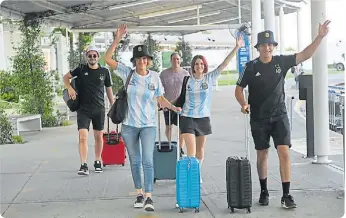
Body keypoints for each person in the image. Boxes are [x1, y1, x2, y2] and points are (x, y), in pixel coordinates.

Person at [235, 20, 331, 209]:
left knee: (284, 153)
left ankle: (286, 195)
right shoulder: (250, 67)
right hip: (259, 118)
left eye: (271, 44)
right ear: (259, 47)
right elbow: (238, 89)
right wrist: (243, 103)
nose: (268, 48)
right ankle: (264, 191)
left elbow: (305, 54)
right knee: (262, 155)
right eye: (264, 45)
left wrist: (319, 37)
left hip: (279, 116)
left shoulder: (281, 61)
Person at [104, 24, 181, 212]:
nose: (142, 61)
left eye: (145, 58)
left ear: (148, 60)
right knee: (135, 160)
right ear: (135, 61)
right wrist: (117, 39)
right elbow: (106, 59)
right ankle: (138, 193)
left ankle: (148, 196)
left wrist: (173, 107)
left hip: (148, 125)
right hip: (129, 125)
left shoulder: (154, 77)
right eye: (139, 58)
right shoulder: (126, 73)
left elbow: (160, 98)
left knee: (148, 160)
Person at [179, 35, 244, 184]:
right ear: (193, 66)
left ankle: (197, 172)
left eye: (201, 64)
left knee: (200, 150)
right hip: (187, 117)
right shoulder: (187, 80)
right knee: (191, 149)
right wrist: (168, 104)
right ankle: (192, 175)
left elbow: (224, 64)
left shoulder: (210, 78)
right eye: (196, 64)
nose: (199, 66)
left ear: (204, 66)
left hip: (203, 118)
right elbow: (180, 97)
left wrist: (237, 47)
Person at [63, 45, 114, 175]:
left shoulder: (104, 71)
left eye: (94, 55)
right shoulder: (80, 69)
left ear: (98, 57)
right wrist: (69, 88)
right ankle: (83, 164)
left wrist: (113, 104)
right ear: (86, 57)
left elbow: (108, 89)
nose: (92, 58)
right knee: (83, 137)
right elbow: (66, 77)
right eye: (89, 56)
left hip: (99, 109)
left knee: (98, 137)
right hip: (83, 109)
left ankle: (98, 161)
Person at [159, 52, 189, 156]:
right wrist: (161, 102)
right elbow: (159, 90)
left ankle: (180, 148)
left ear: (180, 60)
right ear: (170, 60)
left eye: (177, 59)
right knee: (169, 127)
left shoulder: (185, 73)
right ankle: (172, 144)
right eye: (174, 59)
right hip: (168, 104)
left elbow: (188, 89)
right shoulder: (164, 74)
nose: (176, 61)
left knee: (182, 127)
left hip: (181, 105)